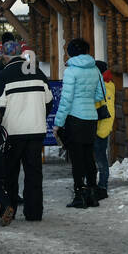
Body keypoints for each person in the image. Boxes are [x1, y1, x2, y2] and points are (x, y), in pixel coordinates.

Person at [0, 50, 53, 221]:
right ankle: (34, 212)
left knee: (10, 173)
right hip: (36, 130)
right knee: (34, 172)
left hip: (12, 132)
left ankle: (9, 209)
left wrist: (1, 125)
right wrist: (38, 116)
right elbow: (49, 102)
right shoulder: (39, 74)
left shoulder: (2, 76)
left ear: (6, 60)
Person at [53, 38, 106, 207]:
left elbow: (66, 100)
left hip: (75, 118)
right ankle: (92, 192)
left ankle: (79, 194)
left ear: (71, 52)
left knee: (77, 159)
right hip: (91, 117)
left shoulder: (71, 71)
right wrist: (86, 98)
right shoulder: (96, 69)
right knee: (89, 156)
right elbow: (100, 95)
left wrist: (58, 122)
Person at [94, 60, 116, 200]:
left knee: (100, 158)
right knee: (99, 157)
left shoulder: (105, 86)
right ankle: (101, 185)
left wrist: (102, 130)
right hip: (101, 126)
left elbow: (106, 111)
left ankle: (102, 186)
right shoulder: (107, 84)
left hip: (101, 128)